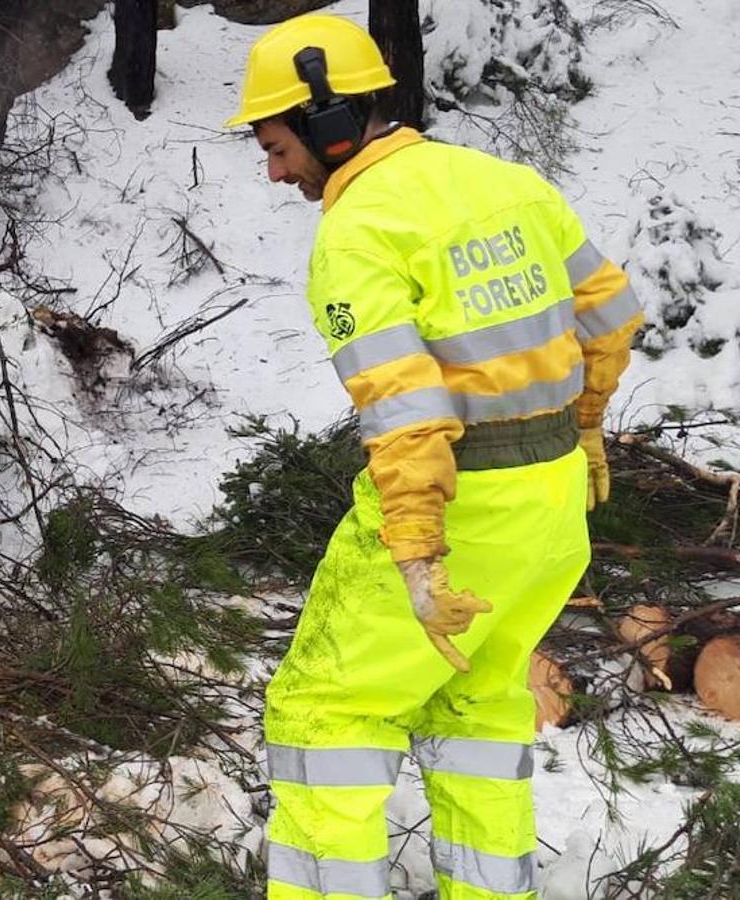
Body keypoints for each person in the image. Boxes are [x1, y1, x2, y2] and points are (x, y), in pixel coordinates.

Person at [225, 14, 644, 900]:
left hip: (457, 511)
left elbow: (405, 410)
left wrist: (414, 552)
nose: (272, 171)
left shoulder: (360, 228)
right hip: (549, 504)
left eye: (274, 146)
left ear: (329, 120)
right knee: (481, 704)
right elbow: (611, 315)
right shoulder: (505, 182)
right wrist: (586, 427)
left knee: (325, 714)